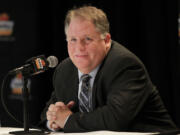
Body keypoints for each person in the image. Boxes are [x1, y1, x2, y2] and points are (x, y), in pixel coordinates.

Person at [40, 5, 177, 133]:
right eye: (73, 40)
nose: (79, 47)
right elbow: (48, 112)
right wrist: (52, 120)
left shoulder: (124, 65)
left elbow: (115, 119)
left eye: (87, 39)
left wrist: (67, 120)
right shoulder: (65, 70)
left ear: (106, 40)